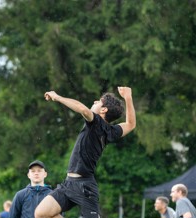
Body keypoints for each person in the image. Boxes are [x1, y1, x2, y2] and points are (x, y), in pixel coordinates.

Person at [35, 87, 136, 218]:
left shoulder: (96, 122)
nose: (94, 101)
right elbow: (131, 124)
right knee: (41, 213)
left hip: (85, 187)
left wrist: (57, 97)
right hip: (68, 184)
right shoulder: (111, 131)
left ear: (103, 110)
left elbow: (82, 108)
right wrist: (128, 98)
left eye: (99, 101)